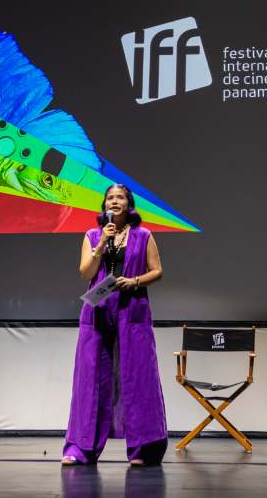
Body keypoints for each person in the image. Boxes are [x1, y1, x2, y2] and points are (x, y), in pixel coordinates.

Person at [62, 184, 168, 466]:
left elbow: (157, 270)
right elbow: (85, 272)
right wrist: (100, 246)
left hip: (131, 306)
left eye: (120, 197)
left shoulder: (144, 235)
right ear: (104, 205)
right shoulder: (93, 235)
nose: (115, 201)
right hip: (97, 308)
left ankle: (144, 449)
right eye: (110, 198)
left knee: (137, 374)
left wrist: (134, 281)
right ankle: (81, 449)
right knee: (91, 377)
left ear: (129, 204)